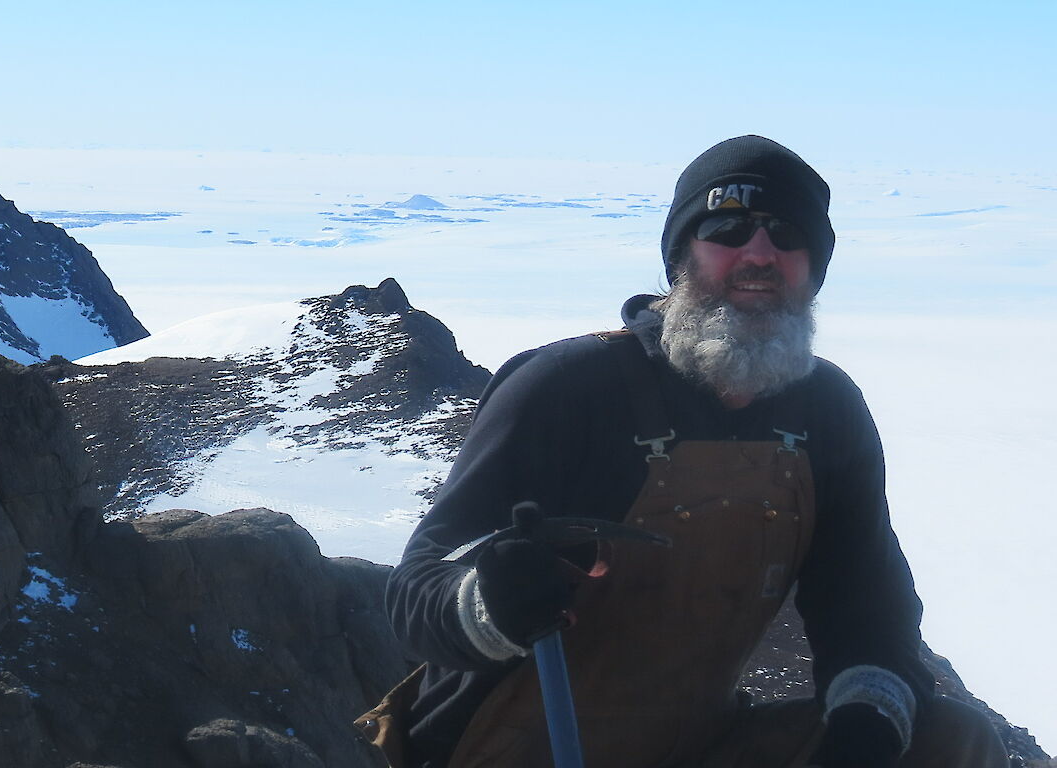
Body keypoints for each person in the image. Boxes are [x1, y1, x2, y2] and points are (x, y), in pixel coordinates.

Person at [371, 136, 1006, 768]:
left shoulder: (828, 411)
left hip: (695, 745)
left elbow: (866, 604)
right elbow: (416, 586)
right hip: (509, 750)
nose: (760, 253)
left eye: (787, 234)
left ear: (813, 266)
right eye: (727, 228)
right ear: (682, 255)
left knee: (949, 741)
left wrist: (863, 733)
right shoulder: (567, 385)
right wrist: (489, 601)